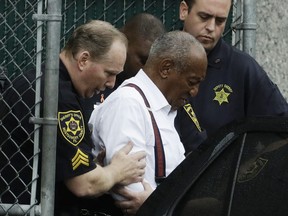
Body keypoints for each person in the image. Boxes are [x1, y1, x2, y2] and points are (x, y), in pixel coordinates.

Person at [0, 20, 146, 215]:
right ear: (83, 59)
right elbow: (84, 184)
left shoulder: (38, 79)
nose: (111, 83)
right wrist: (118, 170)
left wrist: (98, 170)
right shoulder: (58, 97)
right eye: (109, 73)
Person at [89, 30, 208, 215]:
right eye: (192, 81)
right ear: (166, 68)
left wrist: (157, 203)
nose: (194, 91)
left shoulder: (163, 109)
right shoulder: (128, 103)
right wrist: (160, 205)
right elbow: (129, 193)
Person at [176, 0, 288, 153]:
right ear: (184, 11)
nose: (210, 27)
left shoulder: (242, 68)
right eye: (204, 17)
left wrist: (248, 170)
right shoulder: (157, 58)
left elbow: (281, 126)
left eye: (220, 21)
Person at [81, 13, 166, 120]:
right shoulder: (94, 83)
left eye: (154, 65)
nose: (147, 71)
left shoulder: (157, 95)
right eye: (143, 61)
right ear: (124, 41)